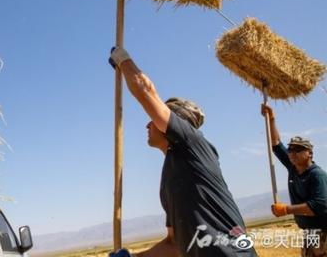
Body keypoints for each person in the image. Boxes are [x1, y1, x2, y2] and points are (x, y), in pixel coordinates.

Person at [107, 47, 257, 257]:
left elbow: (145, 91)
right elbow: (174, 244)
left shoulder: (192, 143)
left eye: (154, 119)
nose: (147, 125)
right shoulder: (171, 174)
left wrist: (123, 60)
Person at [261, 105, 327, 256]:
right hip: (309, 232)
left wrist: (286, 209)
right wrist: (271, 119)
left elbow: (318, 205)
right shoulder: (293, 168)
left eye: (298, 150)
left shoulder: (317, 175)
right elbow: (276, 144)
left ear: (309, 153)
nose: (292, 153)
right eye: (290, 150)